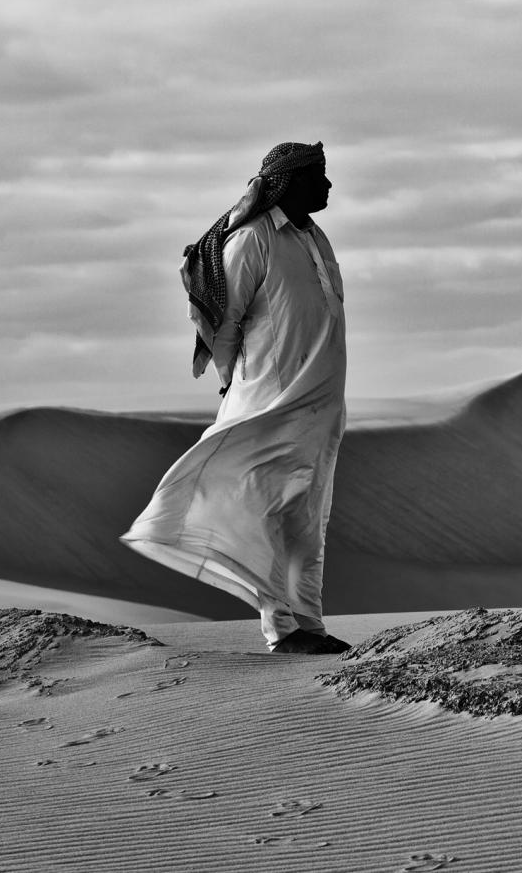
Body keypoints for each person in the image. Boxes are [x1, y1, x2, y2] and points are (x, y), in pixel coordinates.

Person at [122, 141, 353, 654]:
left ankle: (309, 625)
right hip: (267, 400)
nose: (329, 186)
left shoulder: (316, 238)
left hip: (321, 407)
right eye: (319, 177)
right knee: (265, 511)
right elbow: (223, 327)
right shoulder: (252, 240)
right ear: (290, 183)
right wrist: (236, 382)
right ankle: (283, 629)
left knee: (310, 519)